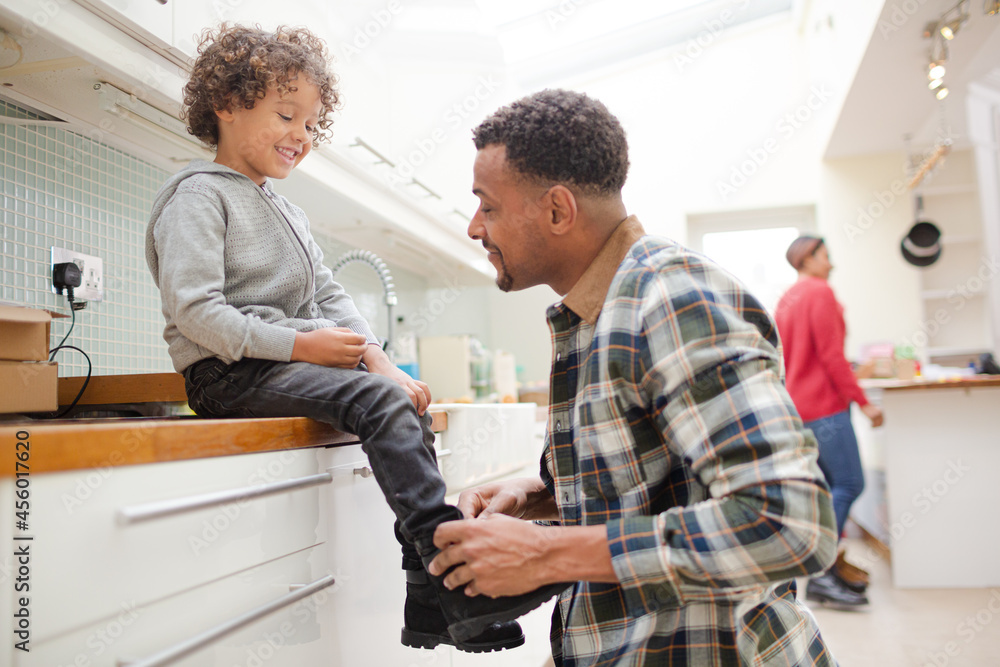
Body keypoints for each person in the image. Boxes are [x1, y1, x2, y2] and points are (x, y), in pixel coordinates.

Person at [144, 24, 565, 653]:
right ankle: (453, 573)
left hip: (276, 368)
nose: (301, 135)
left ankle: (429, 597)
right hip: (226, 374)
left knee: (399, 399)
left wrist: (380, 362)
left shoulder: (287, 210)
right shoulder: (197, 197)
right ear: (226, 105)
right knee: (379, 401)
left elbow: (330, 295)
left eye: (311, 124)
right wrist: (301, 347)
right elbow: (196, 312)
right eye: (286, 115)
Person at [427, 89, 840, 665]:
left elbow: (788, 523)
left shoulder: (670, 298)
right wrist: (536, 499)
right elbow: (656, 489)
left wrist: (545, 555)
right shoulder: (594, 314)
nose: (475, 228)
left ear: (557, 211)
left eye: (487, 207)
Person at [775, 235, 884, 608]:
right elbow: (831, 356)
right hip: (825, 406)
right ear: (807, 258)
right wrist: (864, 402)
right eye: (825, 256)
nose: (830, 262)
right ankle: (822, 574)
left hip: (800, 409)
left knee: (827, 491)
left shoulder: (787, 299)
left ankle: (829, 572)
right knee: (850, 483)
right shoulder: (819, 292)